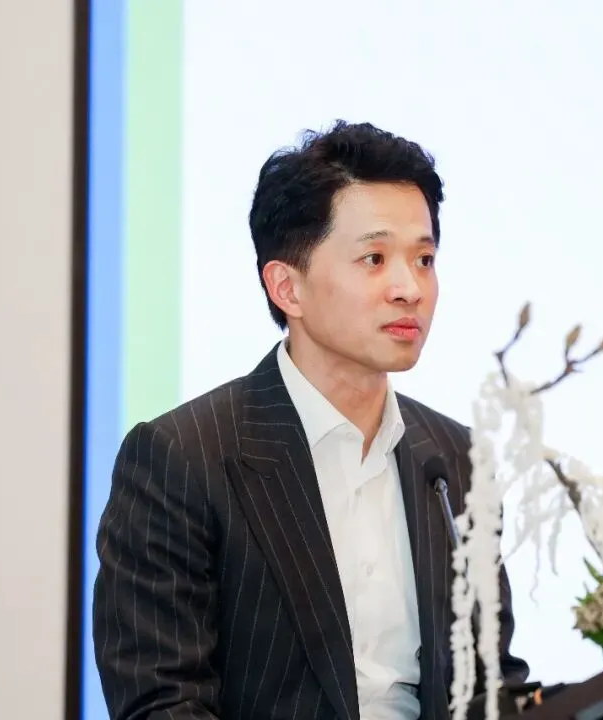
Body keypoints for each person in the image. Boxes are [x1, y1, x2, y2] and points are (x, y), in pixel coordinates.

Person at [93, 121, 529, 720]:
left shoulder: (458, 461)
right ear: (287, 288)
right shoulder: (184, 458)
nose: (409, 288)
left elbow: (489, 682)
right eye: (374, 258)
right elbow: (162, 701)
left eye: (424, 259)